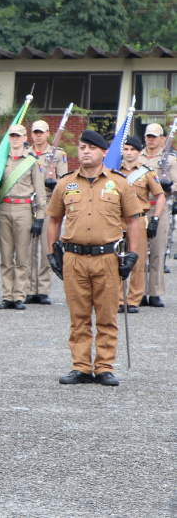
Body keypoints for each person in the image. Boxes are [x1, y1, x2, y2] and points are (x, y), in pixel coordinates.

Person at [47, 130, 142, 387]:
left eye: (91, 147)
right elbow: (54, 220)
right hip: (74, 258)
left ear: (103, 152)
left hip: (107, 258)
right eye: (82, 147)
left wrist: (132, 254)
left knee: (107, 316)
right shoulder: (65, 183)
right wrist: (52, 253)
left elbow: (133, 221)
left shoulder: (119, 183)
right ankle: (80, 367)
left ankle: (104, 367)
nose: (85, 151)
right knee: (78, 317)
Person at [0, 124, 47, 310]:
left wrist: (40, 217)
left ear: (25, 138)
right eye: (12, 136)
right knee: (6, 256)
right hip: (3, 208)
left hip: (23, 208)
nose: (15, 139)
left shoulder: (32, 161)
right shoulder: (1, 160)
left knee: (23, 256)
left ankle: (19, 295)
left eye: (18, 136)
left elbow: (40, 191)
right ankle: (7, 295)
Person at [118, 135, 166, 314]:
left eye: (132, 149)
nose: (129, 153)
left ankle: (134, 299)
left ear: (139, 152)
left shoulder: (146, 172)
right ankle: (118, 299)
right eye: (126, 149)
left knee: (137, 260)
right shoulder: (114, 171)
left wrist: (156, 219)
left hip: (137, 219)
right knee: (115, 259)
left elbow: (160, 195)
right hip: (116, 219)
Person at [25, 121, 68, 304]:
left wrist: (55, 182)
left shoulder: (57, 154)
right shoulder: (25, 154)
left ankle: (43, 289)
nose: (38, 135)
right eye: (35, 132)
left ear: (48, 133)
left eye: (41, 132)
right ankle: (29, 288)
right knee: (28, 249)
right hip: (28, 203)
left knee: (46, 247)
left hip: (49, 202)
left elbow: (65, 180)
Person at [138, 123, 177, 307]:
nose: (151, 140)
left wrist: (170, 187)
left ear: (162, 138)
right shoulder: (136, 157)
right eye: (148, 136)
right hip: (139, 207)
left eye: (155, 136)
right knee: (139, 252)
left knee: (157, 251)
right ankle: (138, 291)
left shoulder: (170, 159)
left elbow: (176, 183)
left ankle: (154, 292)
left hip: (159, 207)